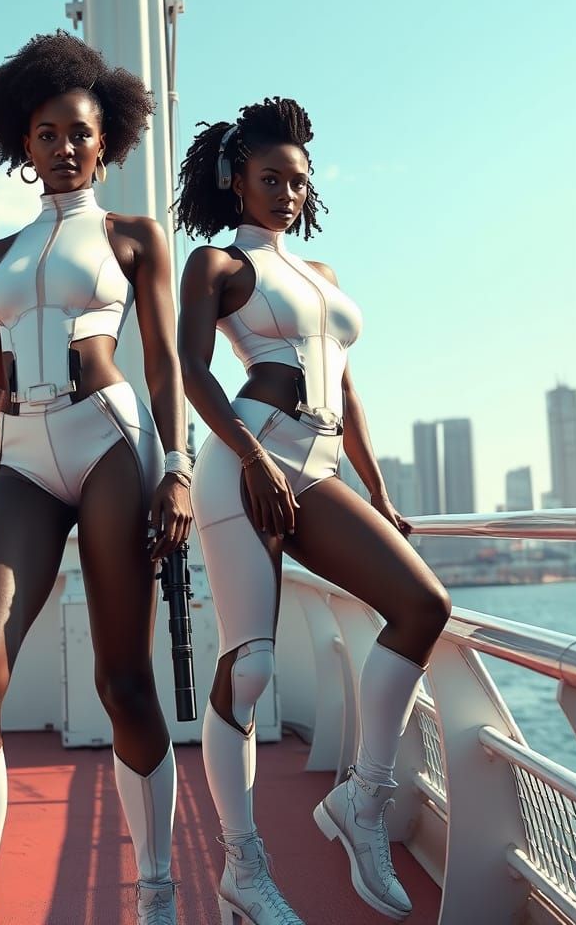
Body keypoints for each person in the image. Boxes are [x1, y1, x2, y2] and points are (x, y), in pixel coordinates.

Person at [175, 98, 451, 924]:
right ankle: (242, 863)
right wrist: (255, 458)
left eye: (299, 181)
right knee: (251, 666)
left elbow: (350, 393)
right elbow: (195, 373)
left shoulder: (323, 278)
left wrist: (380, 494)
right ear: (235, 180)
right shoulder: (217, 267)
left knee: (421, 605)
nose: (288, 192)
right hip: (247, 458)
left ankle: (363, 810)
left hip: (321, 467)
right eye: (271, 178)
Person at [0, 31, 192, 925]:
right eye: (46, 133)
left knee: (121, 681)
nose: (64, 147)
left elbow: (162, 366)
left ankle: (155, 884)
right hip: (21, 454)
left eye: (80, 132)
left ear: (105, 139)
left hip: (111, 442)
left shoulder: (133, 237)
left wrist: (180, 470)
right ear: (24, 143)